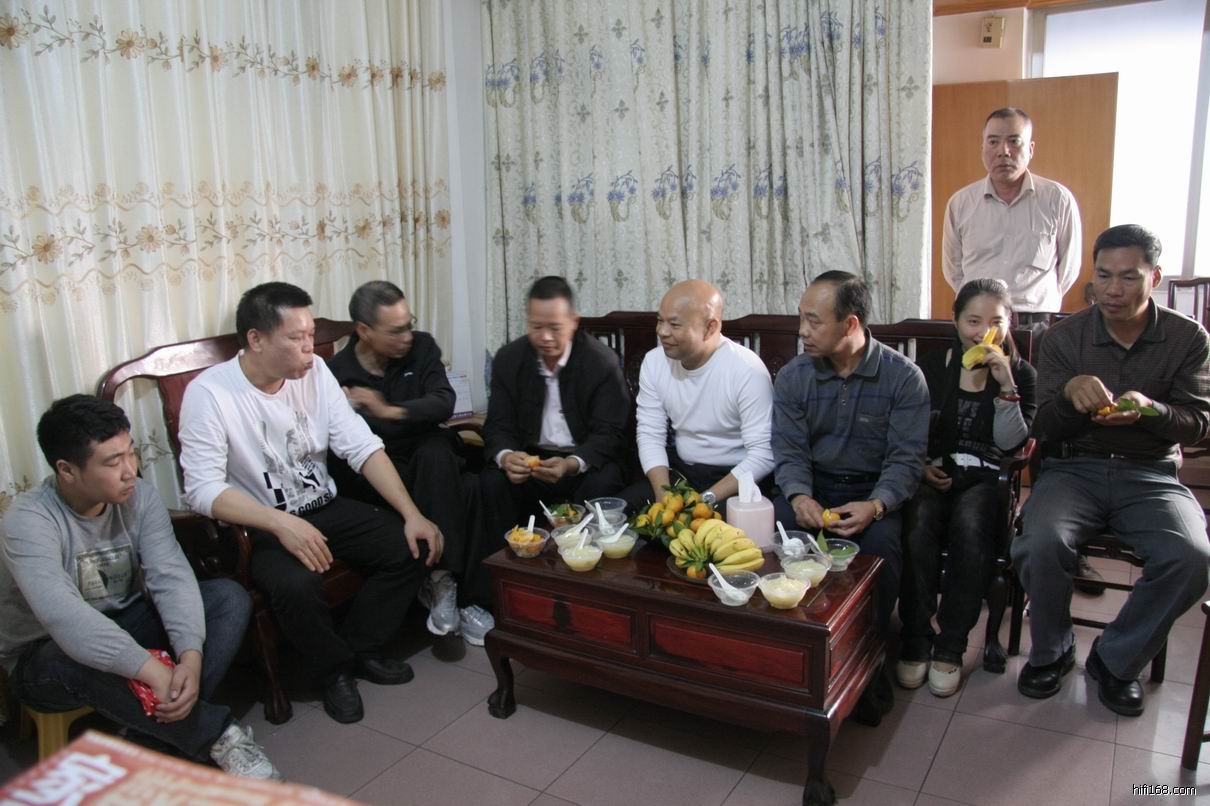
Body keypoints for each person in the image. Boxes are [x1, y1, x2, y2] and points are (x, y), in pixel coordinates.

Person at [179, 282, 443, 725]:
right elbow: (201, 489)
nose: (309, 347)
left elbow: (361, 446)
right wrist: (279, 523)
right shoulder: (210, 394)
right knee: (296, 585)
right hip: (259, 523)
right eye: (296, 338)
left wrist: (412, 513)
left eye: (311, 335)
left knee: (410, 545)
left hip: (321, 504)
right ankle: (333, 671)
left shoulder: (316, 371)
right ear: (256, 339)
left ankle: (360, 648)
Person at [0, 395, 278, 779]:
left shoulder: (139, 496)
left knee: (227, 598)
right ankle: (218, 735)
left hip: (124, 622)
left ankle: (153, 738)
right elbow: (65, 618)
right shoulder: (29, 520)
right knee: (67, 653)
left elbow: (170, 575)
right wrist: (152, 671)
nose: (130, 470)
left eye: (131, 453)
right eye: (113, 462)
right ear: (67, 470)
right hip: (45, 658)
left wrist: (191, 656)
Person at [1013, 224, 1210, 717]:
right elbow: (1043, 427)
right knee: (1039, 542)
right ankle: (1053, 650)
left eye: (1128, 277)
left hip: (1151, 474)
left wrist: (1151, 410)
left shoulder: (1188, 338)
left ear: (1155, 278)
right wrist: (1069, 395)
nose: (1113, 290)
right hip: (1073, 469)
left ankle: (1116, 660)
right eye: (1103, 276)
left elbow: (1198, 425)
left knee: (1191, 558)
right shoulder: (1064, 338)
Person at [772, 271, 929, 724]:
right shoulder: (795, 376)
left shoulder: (904, 378)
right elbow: (789, 450)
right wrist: (799, 495)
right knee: (773, 537)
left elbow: (905, 460)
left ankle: (867, 664)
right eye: (801, 318)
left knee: (880, 553)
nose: (802, 331)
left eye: (813, 321)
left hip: (872, 493)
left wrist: (877, 505)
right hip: (815, 487)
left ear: (851, 323)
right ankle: (786, 656)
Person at [327, 281, 492, 647]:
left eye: (409, 324)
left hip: (429, 455)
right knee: (466, 487)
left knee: (439, 455)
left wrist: (389, 410)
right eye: (395, 330)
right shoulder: (337, 373)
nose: (407, 337)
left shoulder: (422, 347)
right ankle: (458, 595)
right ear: (364, 331)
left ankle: (443, 582)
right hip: (381, 470)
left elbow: (443, 402)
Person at [897, 279, 1037, 697]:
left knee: (971, 523)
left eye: (995, 321)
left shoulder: (1021, 374)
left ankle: (951, 644)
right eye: (973, 321)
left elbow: (1011, 445)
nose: (983, 331)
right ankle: (916, 635)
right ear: (957, 321)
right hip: (935, 471)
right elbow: (906, 427)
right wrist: (920, 466)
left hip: (986, 476)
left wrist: (1006, 385)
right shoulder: (932, 366)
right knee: (918, 519)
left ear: (1009, 323)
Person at [481, 276, 630, 539]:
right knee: (492, 481)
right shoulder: (509, 359)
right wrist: (506, 456)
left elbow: (610, 433)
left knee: (604, 481)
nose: (546, 337)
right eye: (536, 327)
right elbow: (497, 425)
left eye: (555, 328)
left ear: (574, 321)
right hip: (532, 463)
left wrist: (571, 464)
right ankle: (503, 562)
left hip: (584, 462)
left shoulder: (600, 362)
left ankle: (582, 560)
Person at [621, 279, 774, 512]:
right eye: (660, 321)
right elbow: (650, 434)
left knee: (711, 529)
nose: (662, 331)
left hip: (734, 479)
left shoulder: (747, 370)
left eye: (674, 324)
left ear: (710, 328)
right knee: (621, 514)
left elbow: (763, 455)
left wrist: (704, 501)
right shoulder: (654, 362)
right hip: (681, 473)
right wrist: (664, 497)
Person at [942, 107, 1082, 339]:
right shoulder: (960, 203)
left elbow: (1068, 268)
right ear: (982, 149)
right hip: (978, 324)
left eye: (1014, 141)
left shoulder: (1057, 199)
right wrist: (980, 305)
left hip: (1037, 324)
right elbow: (953, 270)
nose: (1003, 151)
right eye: (993, 142)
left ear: (1031, 148)